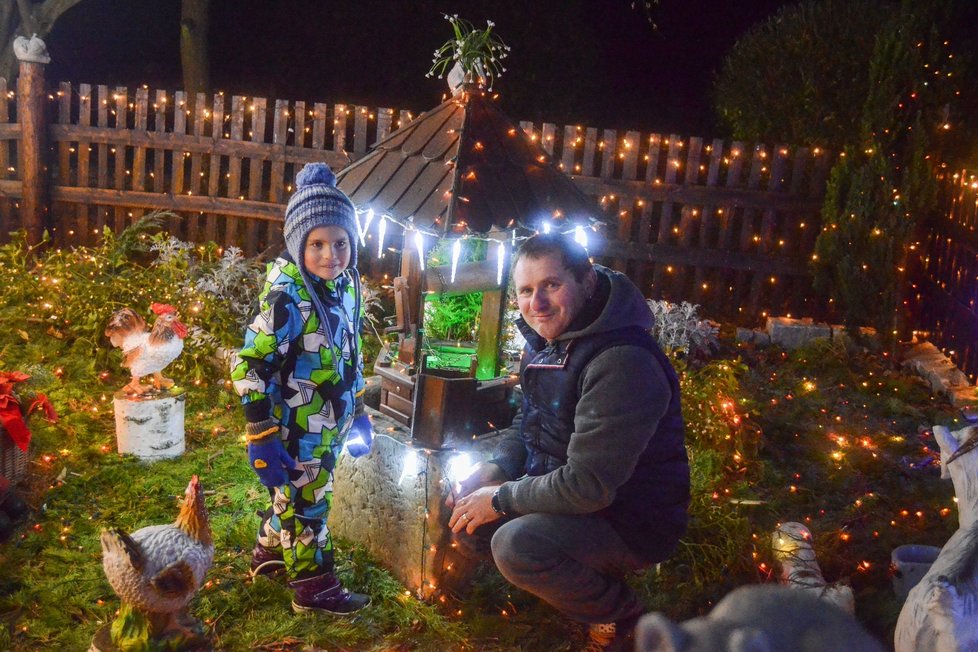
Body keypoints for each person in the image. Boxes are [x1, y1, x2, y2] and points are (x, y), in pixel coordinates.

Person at [447, 232, 690, 650]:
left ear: (587, 280)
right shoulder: (549, 341)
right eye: (526, 290)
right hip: (576, 494)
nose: (536, 304)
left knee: (514, 544)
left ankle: (623, 617)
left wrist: (502, 498)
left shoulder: (621, 361)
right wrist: (497, 469)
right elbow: (530, 420)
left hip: (630, 517)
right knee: (469, 516)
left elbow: (588, 486)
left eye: (551, 285)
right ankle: (574, 582)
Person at [230, 162, 373, 616]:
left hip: (331, 421)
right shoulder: (286, 298)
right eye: (317, 244)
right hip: (294, 429)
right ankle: (314, 587)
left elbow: (350, 350)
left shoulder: (345, 286)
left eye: (340, 242)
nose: (330, 253)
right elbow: (248, 361)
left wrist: (360, 407)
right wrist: (261, 430)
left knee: (294, 498)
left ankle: (269, 552)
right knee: (308, 504)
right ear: (297, 244)